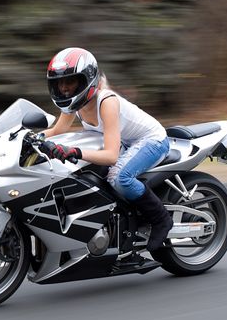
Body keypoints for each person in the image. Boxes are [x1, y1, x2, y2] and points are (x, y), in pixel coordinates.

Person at [41, 47, 173, 252]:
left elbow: (111, 156)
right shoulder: (74, 104)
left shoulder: (106, 101)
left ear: (87, 79)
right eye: (60, 82)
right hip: (125, 142)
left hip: (151, 140)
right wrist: (28, 137)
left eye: (70, 81)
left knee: (119, 178)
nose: (64, 88)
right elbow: (58, 130)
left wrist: (74, 152)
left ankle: (161, 219)